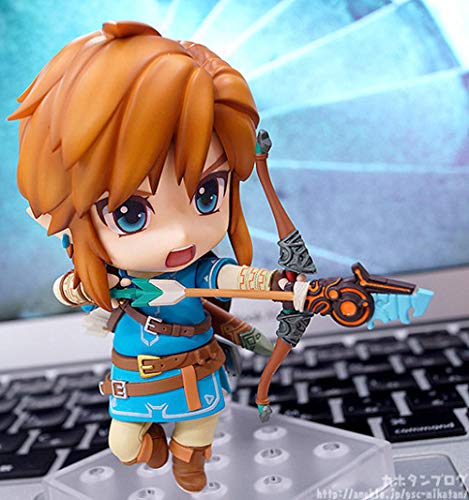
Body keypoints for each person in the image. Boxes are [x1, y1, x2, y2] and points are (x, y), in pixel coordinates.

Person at [8, 20, 305, 493]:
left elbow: (233, 278)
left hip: (196, 370)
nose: (181, 235)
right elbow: (73, 292)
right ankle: (152, 447)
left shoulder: (198, 270)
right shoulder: (113, 276)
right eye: (130, 213)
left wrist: (285, 286)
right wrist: (83, 285)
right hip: (134, 376)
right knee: (124, 445)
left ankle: (189, 459)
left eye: (207, 193)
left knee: (199, 430)